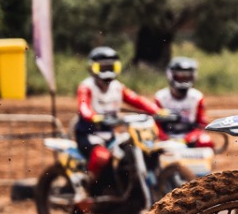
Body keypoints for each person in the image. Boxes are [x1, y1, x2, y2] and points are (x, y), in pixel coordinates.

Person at [74, 47, 162, 181]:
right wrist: (93, 117)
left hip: (110, 134)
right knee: (101, 157)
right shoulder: (86, 87)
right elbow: (83, 107)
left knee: (129, 152)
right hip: (89, 135)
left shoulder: (117, 87)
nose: (107, 71)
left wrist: (158, 111)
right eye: (102, 68)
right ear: (92, 68)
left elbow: (137, 100)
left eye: (111, 67)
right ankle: (88, 184)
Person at [154, 56, 212, 146]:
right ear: (171, 75)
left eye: (187, 76)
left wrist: (187, 139)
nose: (183, 79)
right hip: (166, 139)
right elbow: (155, 124)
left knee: (205, 141)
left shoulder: (196, 97)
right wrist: (165, 138)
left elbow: (202, 125)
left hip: (189, 139)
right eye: (180, 76)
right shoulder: (161, 97)